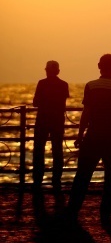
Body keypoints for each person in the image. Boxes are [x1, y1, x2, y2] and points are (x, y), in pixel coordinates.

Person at [66, 54, 111, 225]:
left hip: (93, 137)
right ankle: (106, 214)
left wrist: (80, 135)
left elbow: (86, 113)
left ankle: (73, 211)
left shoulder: (91, 86)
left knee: (83, 176)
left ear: (99, 66)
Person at [32, 60, 70, 193]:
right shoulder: (64, 85)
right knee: (57, 151)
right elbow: (63, 104)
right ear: (58, 71)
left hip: (42, 120)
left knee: (38, 150)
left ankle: (37, 180)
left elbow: (35, 102)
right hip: (57, 121)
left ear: (46, 71)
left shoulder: (41, 83)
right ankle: (56, 180)